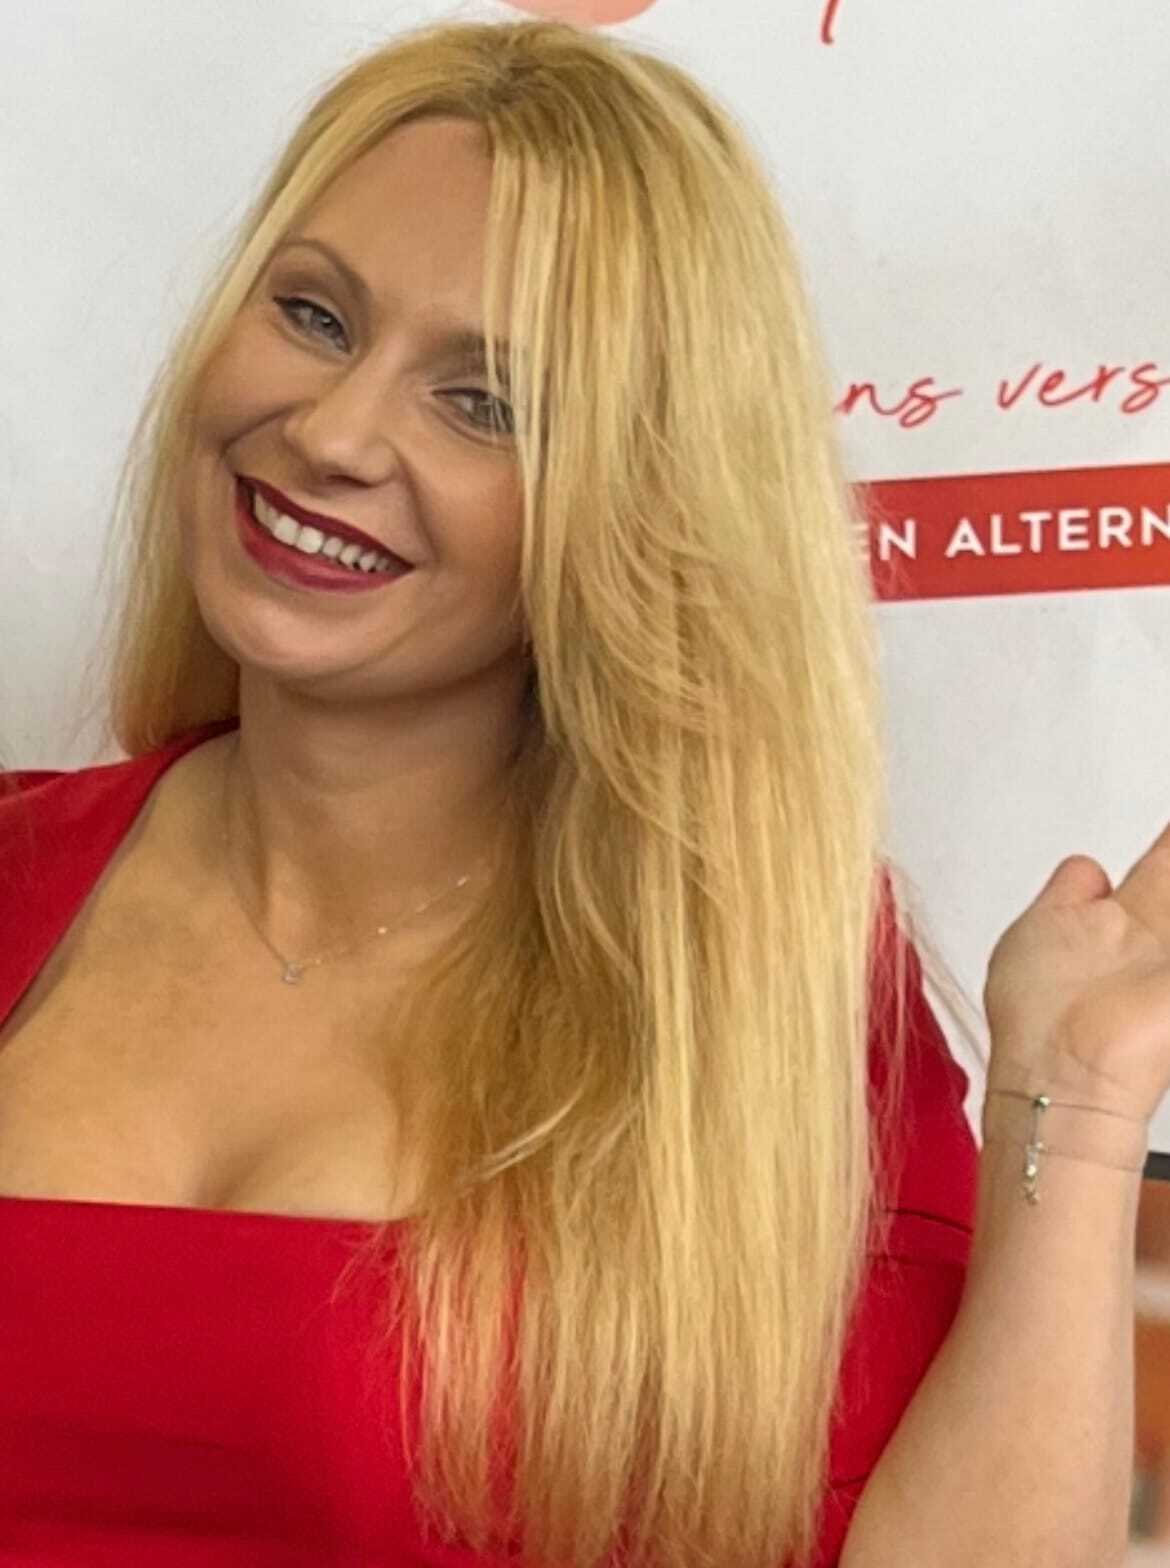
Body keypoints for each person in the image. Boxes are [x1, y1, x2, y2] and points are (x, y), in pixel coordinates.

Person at [0, 19, 1165, 1568]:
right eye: (312, 313)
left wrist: (1073, 1111)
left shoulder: (744, 992)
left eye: (484, 403)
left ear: (638, 502)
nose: (331, 433)